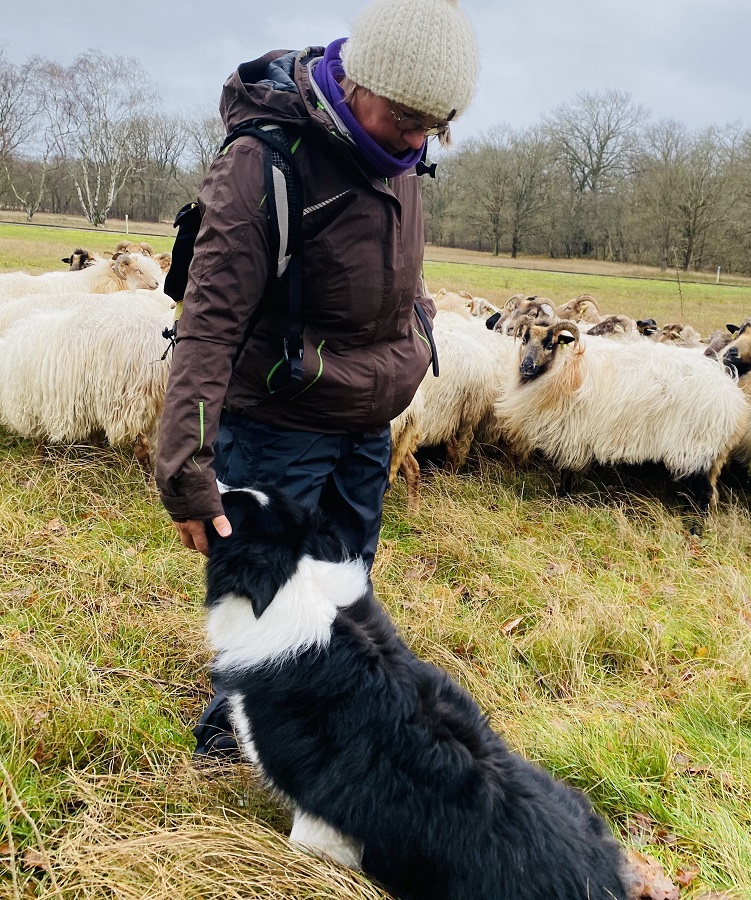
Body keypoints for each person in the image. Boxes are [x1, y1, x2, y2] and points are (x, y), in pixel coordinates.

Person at [154, 0, 479, 755]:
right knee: (268, 591)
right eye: (406, 117)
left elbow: (401, 271)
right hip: (276, 422)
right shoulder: (262, 163)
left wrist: (417, 333)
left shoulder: (399, 152)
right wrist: (186, 473)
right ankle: (232, 735)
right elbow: (207, 326)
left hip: (364, 420)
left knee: (343, 581)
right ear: (361, 79)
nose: (419, 139)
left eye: (437, 124)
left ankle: (321, 720)